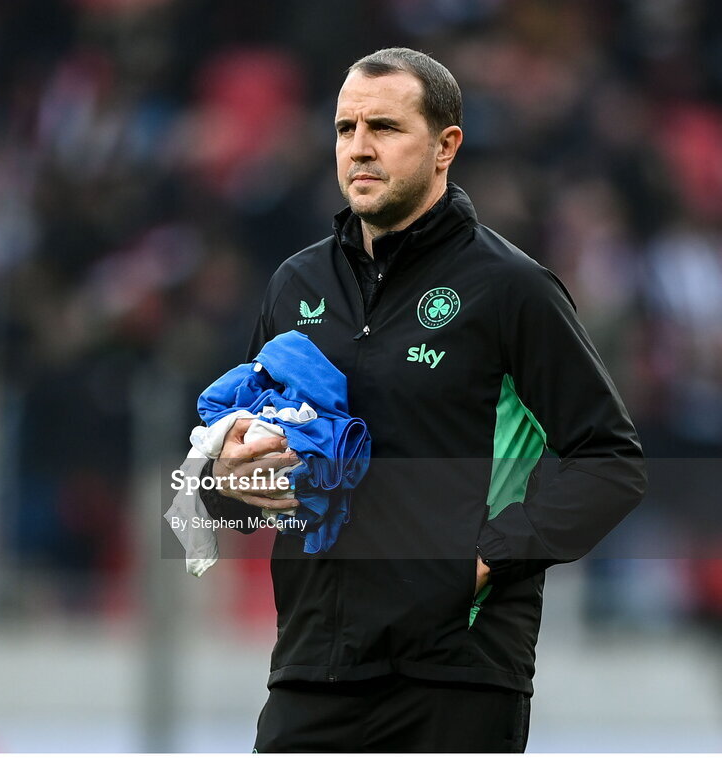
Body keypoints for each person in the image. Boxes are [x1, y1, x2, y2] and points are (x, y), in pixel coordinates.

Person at [199, 47, 646, 752]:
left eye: (384, 127)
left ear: (445, 147)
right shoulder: (295, 284)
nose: (359, 148)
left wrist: (480, 563)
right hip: (313, 667)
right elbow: (239, 471)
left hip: (455, 676)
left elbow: (610, 463)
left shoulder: (511, 289)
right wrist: (222, 483)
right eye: (345, 130)